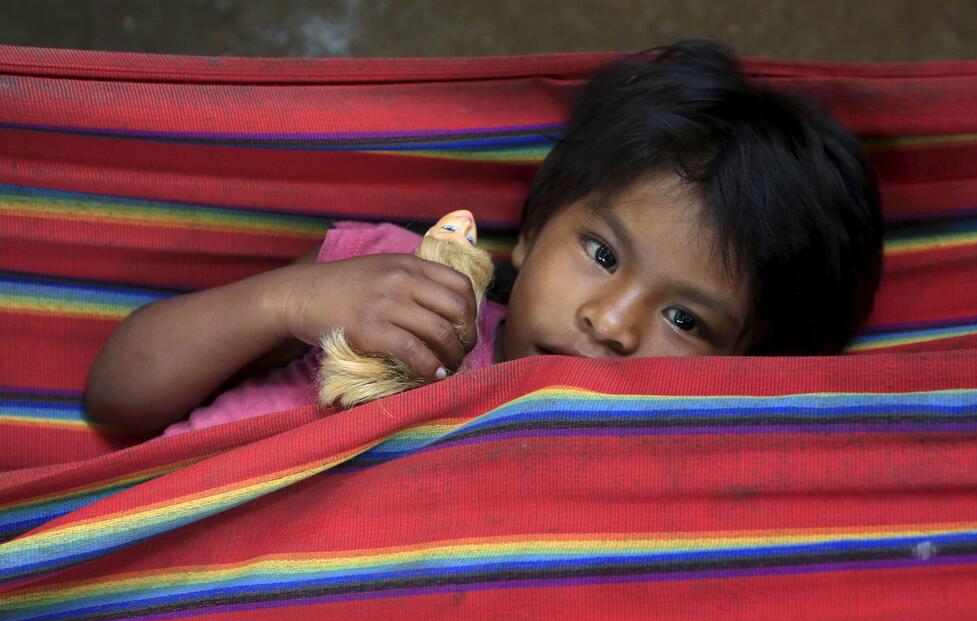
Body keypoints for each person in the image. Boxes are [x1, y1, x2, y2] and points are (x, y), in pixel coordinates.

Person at [84, 40, 884, 437]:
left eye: (687, 319)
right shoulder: (383, 278)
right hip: (156, 561)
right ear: (531, 234)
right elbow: (116, 399)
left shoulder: (643, 471)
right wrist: (291, 299)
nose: (612, 322)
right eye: (601, 255)